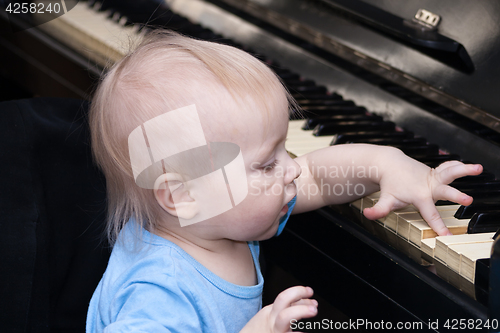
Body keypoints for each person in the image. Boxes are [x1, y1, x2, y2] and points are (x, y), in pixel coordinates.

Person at [86, 30, 482, 333]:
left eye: (284, 150)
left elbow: (317, 176)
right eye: (265, 164)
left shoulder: (218, 215)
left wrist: (385, 165)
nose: (291, 168)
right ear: (182, 195)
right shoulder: (161, 293)